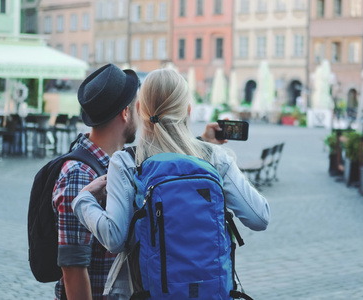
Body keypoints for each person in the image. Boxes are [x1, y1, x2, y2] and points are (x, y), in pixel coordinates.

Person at [71, 68, 270, 298]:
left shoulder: (126, 163)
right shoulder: (214, 158)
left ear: (139, 110)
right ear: (188, 110)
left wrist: (83, 200)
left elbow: (114, 238)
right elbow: (260, 217)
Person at [52, 64, 225, 300]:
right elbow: (72, 268)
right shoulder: (80, 174)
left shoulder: (123, 163)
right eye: (136, 106)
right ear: (126, 113)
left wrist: (201, 143)